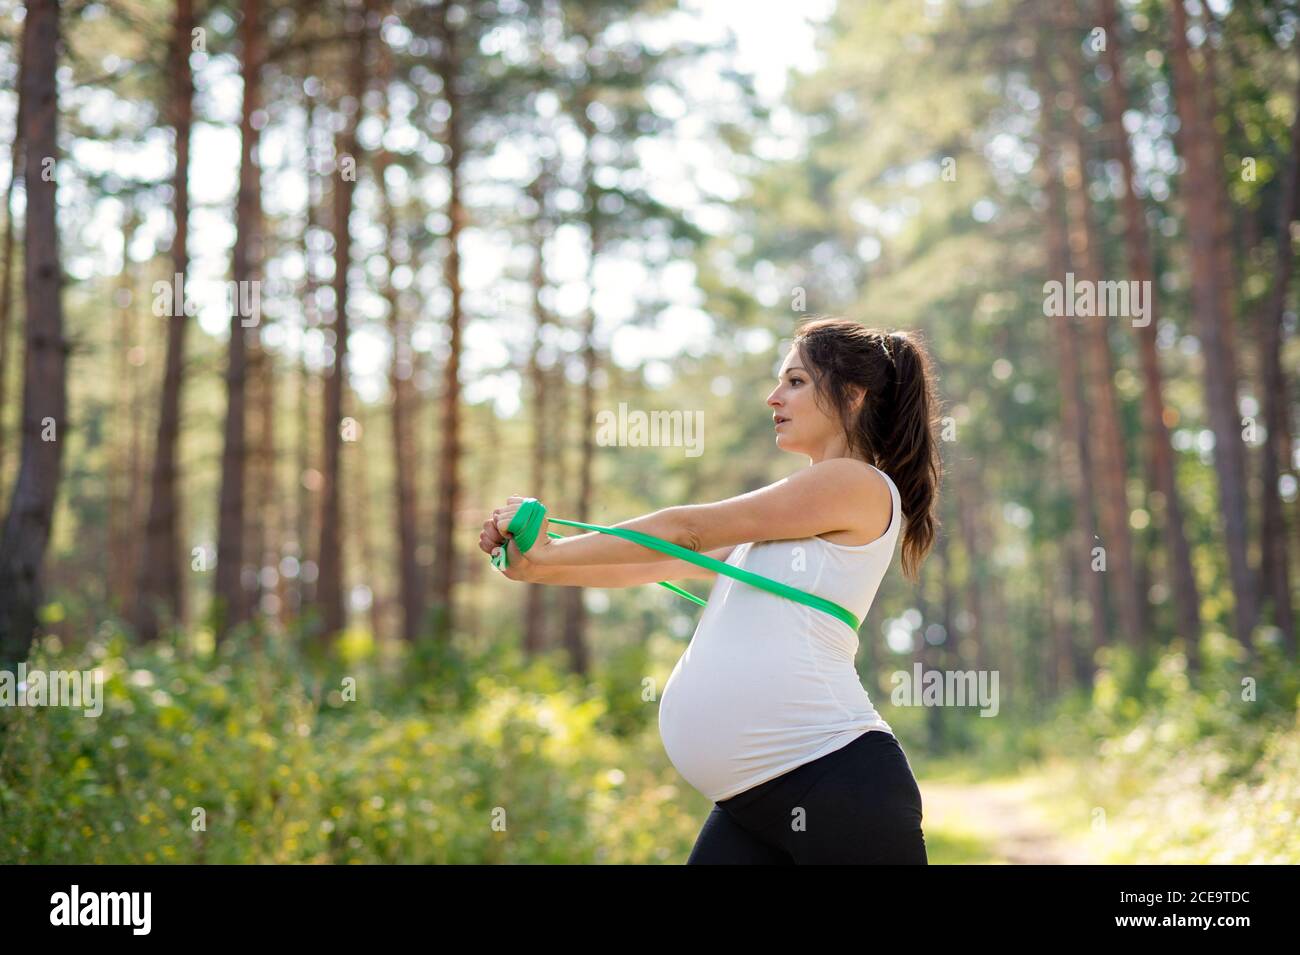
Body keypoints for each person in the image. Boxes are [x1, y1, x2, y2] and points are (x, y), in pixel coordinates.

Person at [479, 317, 942, 864]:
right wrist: (535, 566)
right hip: (756, 800)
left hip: (836, 783)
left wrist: (552, 552)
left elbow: (685, 530)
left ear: (854, 395)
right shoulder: (793, 522)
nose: (773, 397)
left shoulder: (855, 483)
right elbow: (663, 559)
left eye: (795, 381)